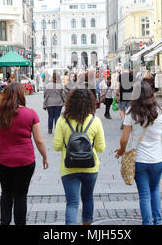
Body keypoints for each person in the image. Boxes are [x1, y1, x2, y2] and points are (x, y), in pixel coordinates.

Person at [115, 81, 162, 225]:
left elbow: (124, 138)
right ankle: (158, 221)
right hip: (158, 159)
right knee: (155, 189)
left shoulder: (131, 113)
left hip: (139, 160)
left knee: (144, 194)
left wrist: (122, 150)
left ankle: (147, 223)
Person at [0, 82, 49, 225]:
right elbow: (39, 140)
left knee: (6, 193)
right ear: (22, 95)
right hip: (25, 161)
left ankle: (5, 222)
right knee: (21, 195)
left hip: (2, 161)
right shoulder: (31, 114)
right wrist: (45, 157)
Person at [53, 89, 106, 225]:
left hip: (68, 167)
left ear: (70, 102)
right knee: (88, 198)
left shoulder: (62, 120)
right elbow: (101, 147)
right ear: (91, 103)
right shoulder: (95, 121)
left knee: (72, 203)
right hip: (90, 167)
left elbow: (57, 146)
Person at [116, 62, 134, 130]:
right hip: (130, 96)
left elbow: (117, 87)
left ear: (124, 68)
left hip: (122, 96)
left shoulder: (120, 76)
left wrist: (117, 95)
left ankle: (124, 122)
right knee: (130, 110)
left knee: (121, 109)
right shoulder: (132, 76)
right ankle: (130, 123)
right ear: (129, 68)